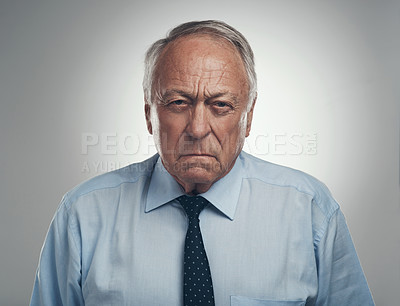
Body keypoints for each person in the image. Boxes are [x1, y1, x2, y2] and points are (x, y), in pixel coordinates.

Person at [30, 20, 374, 306]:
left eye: (220, 105)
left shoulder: (310, 210)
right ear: (149, 115)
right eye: (178, 102)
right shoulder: (83, 215)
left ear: (248, 117)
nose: (197, 129)